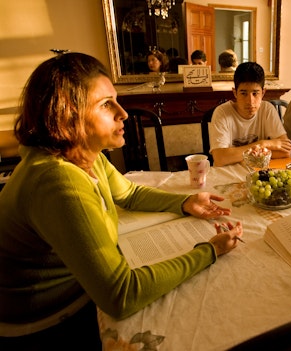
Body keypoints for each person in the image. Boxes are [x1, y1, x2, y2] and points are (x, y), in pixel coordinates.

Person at [0, 52, 243, 350]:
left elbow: (130, 193)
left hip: (75, 292)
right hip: (44, 321)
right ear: (68, 115)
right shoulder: (57, 181)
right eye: (105, 104)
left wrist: (185, 202)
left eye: (115, 99)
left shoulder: (84, 154)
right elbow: (121, 295)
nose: (123, 113)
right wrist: (209, 251)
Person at [208, 61, 291, 167]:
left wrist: (236, 155)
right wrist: (263, 144)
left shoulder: (267, 109)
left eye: (255, 93)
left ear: (263, 93)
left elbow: (285, 151)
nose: (250, 101)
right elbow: (221, 158)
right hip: (228, 174)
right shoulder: (222, 113)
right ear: (235, 93)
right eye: (243, 93)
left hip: (258, 174)